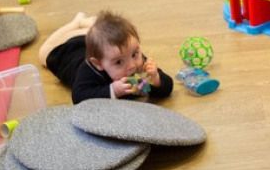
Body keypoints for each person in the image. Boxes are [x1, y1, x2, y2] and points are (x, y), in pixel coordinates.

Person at [37, 10, 173, 104]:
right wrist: (112, 90)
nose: (132, 65)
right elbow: (79, 97)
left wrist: (156, 80)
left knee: (102, 35)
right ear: (99, 64)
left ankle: (90, 25)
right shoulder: (89, 71)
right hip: (65, 50)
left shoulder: (130, 56)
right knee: (43, 53)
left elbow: (166, 88)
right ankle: (77, 23)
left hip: (98, 45)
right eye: (119, 62)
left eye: (135, 54)